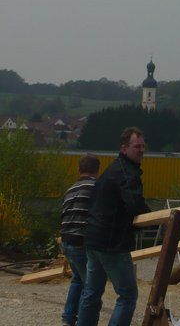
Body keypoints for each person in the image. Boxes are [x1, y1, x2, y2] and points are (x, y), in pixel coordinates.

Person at [77, 127, 150, 326]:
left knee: (92, 292)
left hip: (93, 239)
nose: (142, 150)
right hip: (111, 242)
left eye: (143, 146)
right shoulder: (126, 172)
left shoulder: (113, 169)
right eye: (137, 146)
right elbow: (134, 204)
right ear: (124, 148)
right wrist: (153, 218)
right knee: (128, 295)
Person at [60, 154, 101, 326]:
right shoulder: (96, 187)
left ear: (79, 169)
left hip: (66, 241)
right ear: (97, 170)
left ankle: (68, 318)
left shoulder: (70, 190)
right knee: (91, 287)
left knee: (78, 279)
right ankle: (84, 322)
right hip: (81, 242)